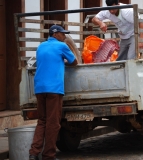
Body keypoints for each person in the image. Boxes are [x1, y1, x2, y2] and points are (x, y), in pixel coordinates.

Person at [29, 25, 78, 160]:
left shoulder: (41, 46)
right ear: (55, 34)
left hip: (39, 88)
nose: (64, 37)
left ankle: (33, 153)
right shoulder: (61, 46)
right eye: (63, 34)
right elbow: (74, 62)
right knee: (53, 123)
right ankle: (49, 155)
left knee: (42, 121)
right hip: (54, 89)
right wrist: (63, 61)